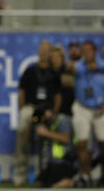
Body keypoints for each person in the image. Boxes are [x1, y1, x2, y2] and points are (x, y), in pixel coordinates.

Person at [69, 40, 104, 187]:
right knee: (82, 144)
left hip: (101, 109)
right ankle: (86, 176)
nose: (86, 53)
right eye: (83, 50)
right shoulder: (78, 67)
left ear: (95, 52)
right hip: (82, 107)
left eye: (88, 50)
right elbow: (70, 69)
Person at [14, 41, 61, 187]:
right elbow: (21, 92)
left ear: (50, 53)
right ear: (39, 51)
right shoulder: (30, 70)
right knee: (23, 133)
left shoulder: (54, 72)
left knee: (43, 139)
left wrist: (54, 112)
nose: (45, 53)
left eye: (48, 50)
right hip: (31, 107)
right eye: (42, 50)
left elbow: (58, 95)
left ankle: (44, 177)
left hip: (46, 110)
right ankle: (20, 177)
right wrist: (22, 108)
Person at [33, 108, 76, 188]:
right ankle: (65, 181)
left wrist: (46, 133)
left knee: (54, 185)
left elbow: (66, 139)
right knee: (39, 183)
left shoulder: (62, 120)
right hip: (52, 162)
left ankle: (72, 181)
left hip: (64, 161)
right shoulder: (46, 124)